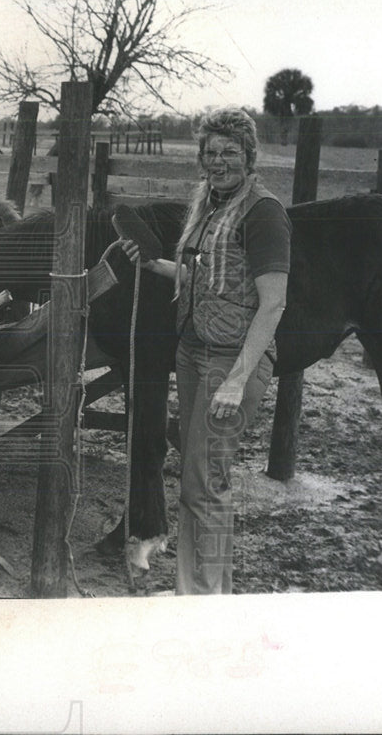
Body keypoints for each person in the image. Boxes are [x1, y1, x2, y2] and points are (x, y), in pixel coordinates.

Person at [120, 107, 291, 595]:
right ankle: (195, 593)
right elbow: (204, 279)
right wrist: (153, 262)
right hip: (194, 353)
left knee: (206, 483)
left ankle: (206, 600)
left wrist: (238, 379)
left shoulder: (263, 212)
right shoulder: (210, 205)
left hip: (231, 361)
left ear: (249, 156)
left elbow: (273, 302)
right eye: (211, 153)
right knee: (196, 483)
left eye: (230, 153)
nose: (218, 162)